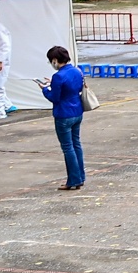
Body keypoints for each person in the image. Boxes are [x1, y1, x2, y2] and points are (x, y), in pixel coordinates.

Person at [39, 46, 87, 191]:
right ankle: (80, 176)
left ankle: (73, 179)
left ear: (55, 60)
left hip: (63, 114)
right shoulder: (77, 71)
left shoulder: (58, 76)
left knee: (68, 148)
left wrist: (45, 89)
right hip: (77, 111)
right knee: (76, 144)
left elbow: (54, 97)